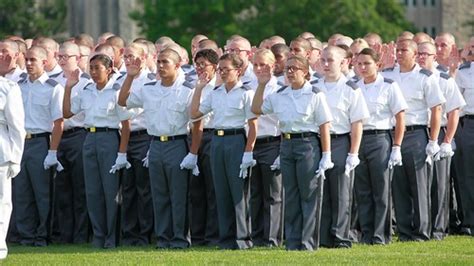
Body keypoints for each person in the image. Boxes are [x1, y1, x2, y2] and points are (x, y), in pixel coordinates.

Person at [118, 48, 200, 249]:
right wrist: (130, 76)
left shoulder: (188, 90)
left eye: (166, 62)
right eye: (159, 62)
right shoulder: (148, 88)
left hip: (177, 143)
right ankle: (163, 238)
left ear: (177, 65)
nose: (161, 66)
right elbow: (123, 101)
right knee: (159, 194)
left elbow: (197, 124)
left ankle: (180, 238)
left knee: (178, 195)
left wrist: (193, 153)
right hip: (154, 144)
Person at [251, 54, 333, 250]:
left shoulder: (315, 94)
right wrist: (261, 85)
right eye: (287, 68)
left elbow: (324, 125)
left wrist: (326, 154)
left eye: (294, 68)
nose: (289, 71)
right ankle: (293, 241)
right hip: (286, 144)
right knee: (291, 194)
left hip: (307, 143)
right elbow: (255, 109)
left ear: (305, 72)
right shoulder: (280, 94)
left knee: (309, 194)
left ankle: (308, 242)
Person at [63, 54, 131, 248]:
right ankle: (99, 236)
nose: (93, 72)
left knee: (111, 191)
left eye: (97, 68)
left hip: (109, 138)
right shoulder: (86, 90)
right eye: (91, 68)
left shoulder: (116, 91)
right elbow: (67, 112)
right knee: (93, 191)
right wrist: (69, 87)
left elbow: (126, 125)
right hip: (89, 138)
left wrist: (122, 153)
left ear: (109, 70)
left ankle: (112, 238)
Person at [381, 39, 445, 241]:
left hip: (416, 133)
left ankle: (421, 231)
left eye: (404, 50)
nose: (399, 53)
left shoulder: (425, 77)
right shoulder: (388, 75)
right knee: (398, 185)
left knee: (419, 185)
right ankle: (404, 230)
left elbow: (436, 109)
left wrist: (433, 140)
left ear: (415, 53)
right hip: (392, 134)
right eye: (397, 50)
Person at [190, 53, 256, 250]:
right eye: (221, 69)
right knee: (221, 191)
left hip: (236, 139)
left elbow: (253, 126)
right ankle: (226, 238)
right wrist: (199, 88)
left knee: (238, 191)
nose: (223, 73)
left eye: (227, 69)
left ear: (238, 71)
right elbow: (194, 114)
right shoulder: (216, 93)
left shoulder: (246, 93)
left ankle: (242, 238)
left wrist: (248, 151)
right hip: (217, 142)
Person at [315, 45, 370, 248]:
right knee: (320, 190)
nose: (326, 64)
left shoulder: (351, 89)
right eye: (323, 60)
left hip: (339, 140)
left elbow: (357, 123)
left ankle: (340, 236)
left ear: (343, 62)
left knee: (340, 191)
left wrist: (353, 152)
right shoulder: (314, 86)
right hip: (316, 141)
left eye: (330, 60)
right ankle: (322, 236)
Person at [354, 48, 407, 244]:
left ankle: (381, 235)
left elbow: (400, 117)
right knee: (363, 189)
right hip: (358, 139)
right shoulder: (354, 87)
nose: (362, 67)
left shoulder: (388, 85)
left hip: (380, 138)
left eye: (367, 63)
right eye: (359, 63)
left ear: (377, 64)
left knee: (381, 188)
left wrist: (396, 147)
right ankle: (366, 233)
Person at [417, 41, 465, 240]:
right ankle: (420, 226)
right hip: (420, 132)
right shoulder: (412, 78)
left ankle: (438, 229)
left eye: (425, 54)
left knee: (439, 184)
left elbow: (454, 111)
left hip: (442, 131)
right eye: (418, 53)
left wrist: (447, 140)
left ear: (434, 57)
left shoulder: (444, 79)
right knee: (420, 184)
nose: (421, 57)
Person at [16, 46, 64, 247]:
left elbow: (58, 122)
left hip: (40, 141)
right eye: (26, 59)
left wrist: (52, 152)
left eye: (33, 60)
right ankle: (25, 235)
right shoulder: (18, 86)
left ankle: (42, 235)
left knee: (42, 192)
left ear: (44, 62)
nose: (28, 63)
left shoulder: (53, 87)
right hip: (20, 142)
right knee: (21, 192)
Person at [114, 43, 154, 246]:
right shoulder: (121, 79)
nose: (129, 60)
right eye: (126, 56)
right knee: (127, 187)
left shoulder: (152, 80)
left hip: (145, 136)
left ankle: (145, 234)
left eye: (133, 56)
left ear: (144, 57)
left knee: (144, 188)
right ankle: (129, 233)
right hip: (125, 137)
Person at [52, 42, 91, 244]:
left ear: (78, 58)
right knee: (62, 187)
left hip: (78, 135)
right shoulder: (53, 81)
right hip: (59, 136)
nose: (62, 60)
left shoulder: (87, 82)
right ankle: (65, 235)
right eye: (59, 56)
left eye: (66, 56)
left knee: (80, 187)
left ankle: (81, 234)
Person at [247, 49, 283, 247]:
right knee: (254, 193)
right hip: (251, 143)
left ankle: (271, 238)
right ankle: (256, 235)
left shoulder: (280, 88)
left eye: (264, 64)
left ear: (273, 65)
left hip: (271, 141)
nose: (259, 69)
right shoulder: (247, 86)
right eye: (255, 65)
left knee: (272, 193)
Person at [188, 49, 219, 246]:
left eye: (204, 64)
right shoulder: (192, 84)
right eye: (197, 64)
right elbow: (191, 116)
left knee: (213, 189)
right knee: (195, 189)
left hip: (212, 136)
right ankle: (197, 236)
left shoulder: (220, 86)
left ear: (214, 67)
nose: (199, 68)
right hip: (193, 137)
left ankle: (213, 235)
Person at [0, 76, 25, 260]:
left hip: (1, 150)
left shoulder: (7, 87)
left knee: (1, 203)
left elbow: (16, 125)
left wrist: (16, 158)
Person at [455, 36, 474, 236]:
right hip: (469, 123)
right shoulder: (463, 72)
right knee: (468, 174)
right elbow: (457, 102)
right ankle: (470, 220)